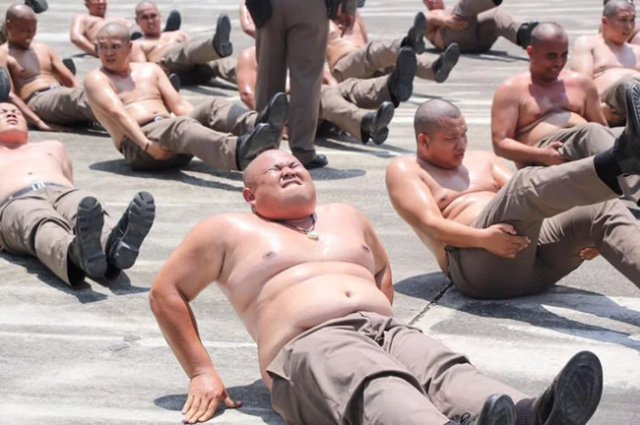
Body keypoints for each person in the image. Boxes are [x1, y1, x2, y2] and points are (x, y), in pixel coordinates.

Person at [150, 148, 604, 425]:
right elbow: (166, 292)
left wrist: (374, 313)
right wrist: (201, 372)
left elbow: (382, 269)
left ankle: (532, 415)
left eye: (294, 164)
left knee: (444, 369)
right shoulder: (227, 229)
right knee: (376, 383)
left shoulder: (346, 215)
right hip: (309, 345)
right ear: (250, 195)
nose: (288, 168)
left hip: (383, 330)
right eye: (274, 170)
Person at [387, 95, 640, 300]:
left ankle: (617, 164)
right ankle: (617, 161)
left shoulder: (482, 159)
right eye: (451, 138)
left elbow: (536, 198)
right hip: (479, 266)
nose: (461, 144)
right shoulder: (406, 170)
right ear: (424, 141)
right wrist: (484, 239)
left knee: (601, 208)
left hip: (532, 260)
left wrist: (587, 229)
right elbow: (431, 225)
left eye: (463, 134)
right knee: (521, 182)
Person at [84, 23, 284, 172]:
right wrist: (146, 145)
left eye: (114, 46)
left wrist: (201, 124)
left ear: (129, 47)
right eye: (102, 47)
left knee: (211, 106)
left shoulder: (150, 70)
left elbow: (179, 106)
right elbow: (118, 114)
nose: (108, 52)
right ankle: (240, 152)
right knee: (180, 125)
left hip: (171, 135)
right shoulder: (96, 78)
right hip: (138, 146)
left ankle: (260, 125)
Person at [0, 102, 155, 285]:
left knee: (83, 205)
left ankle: (113, 245)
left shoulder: (52, 146)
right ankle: (73, 252)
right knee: (40, 220)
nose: (11, 114)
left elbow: (69, 180)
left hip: (62, 191)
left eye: (16, 111)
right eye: (2, 112)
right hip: (16, 200)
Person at [250, 0, 358, 169]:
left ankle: (263, 150)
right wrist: (348, 8)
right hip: (310, 7)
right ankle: (303, 151)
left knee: (267, 78)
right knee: (306, 81)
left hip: (269, 5)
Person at [236, 45, 417, 145]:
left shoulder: (296, 45)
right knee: (321, 93)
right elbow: (247, 94)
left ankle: (391, 86)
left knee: (346, 86)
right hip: (287, 114)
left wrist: (340, 101)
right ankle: (365, 122)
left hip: (319, 107)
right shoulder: (249, 55)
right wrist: (274, 122)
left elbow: (326, 76)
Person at [491, 23, 612, 170]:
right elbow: (500, 144)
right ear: (531, 52)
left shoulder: (582, 84)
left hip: (584, 154)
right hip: (540, 164)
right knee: (593, 132)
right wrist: (541, 155)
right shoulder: (511, 89)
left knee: (623, 138)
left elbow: (602, 129)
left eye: (564, 55)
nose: (559, 63)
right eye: (551, 56)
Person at [0, 5, 96, 131]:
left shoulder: (43, 49)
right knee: (79, 98)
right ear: (9, 26)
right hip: (37, 100)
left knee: (95, 91)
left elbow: (71, 82)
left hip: (61, 95)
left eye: (33, 30)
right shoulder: (3, 54)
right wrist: (38, 122)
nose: (30, 35)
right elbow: (9, 95)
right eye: (25, 30)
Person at [327, 10, 460, 84]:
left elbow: (364, 41)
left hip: (366, 66)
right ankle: (408, 42)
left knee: (397, 58)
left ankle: (434, 68)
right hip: (341, 69)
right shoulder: (320, 18)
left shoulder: (354, 15)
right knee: (375, 50)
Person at [133, 1, 236, 86]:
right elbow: (141, 70)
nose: (150, 21)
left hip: (195, 66)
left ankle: (245, 77)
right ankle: (214, 46)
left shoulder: (178, 34)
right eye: (145, 17)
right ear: (137, 21)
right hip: (169, 63)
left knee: (217, 60)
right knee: (183, 51)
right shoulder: (137, 44)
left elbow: (194, 47)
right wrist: (157, 68)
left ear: (160, 16)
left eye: (153, 16)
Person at [572, 0, 640, 125]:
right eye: (623, 20)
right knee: (628, 84)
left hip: (634, 104)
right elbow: (582, 84)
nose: (629, 26)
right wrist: (596, 108)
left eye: (632, 20)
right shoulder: (588, 43)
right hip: (609, 104)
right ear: (605, 22)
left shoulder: (637, 50)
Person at [422, 0, 538, 53]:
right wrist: (445, 21)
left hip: (480, 41)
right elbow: (426, 20)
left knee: (495, 14)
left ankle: (523, 35)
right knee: (462, 6)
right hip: (453, 42)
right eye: (426, 0)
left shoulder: (450, 10)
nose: (431, 1)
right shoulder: (429, 14)